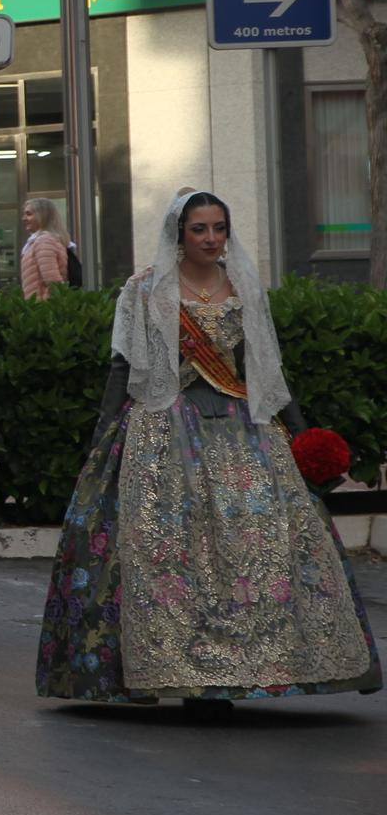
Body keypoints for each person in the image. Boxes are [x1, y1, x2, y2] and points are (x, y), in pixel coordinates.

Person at [37, 190, 380, 709]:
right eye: (200, 229)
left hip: (240, 428)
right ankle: (154, 671)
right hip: (163, 425)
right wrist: (102, 437)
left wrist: (302, 434)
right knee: (161, 546)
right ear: (180, 233)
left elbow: (266, 369)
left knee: (258, 543)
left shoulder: (241, 285)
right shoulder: (147, 289)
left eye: (219, 228)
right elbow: (123, 367)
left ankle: (237, 672)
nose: (212, 239)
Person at [19, 199, 68, 300]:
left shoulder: (44, 241)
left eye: (29, 214)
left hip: (43, 307)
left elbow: (52, 281)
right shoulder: (40, 241)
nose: (24, 218)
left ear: (42, 216)